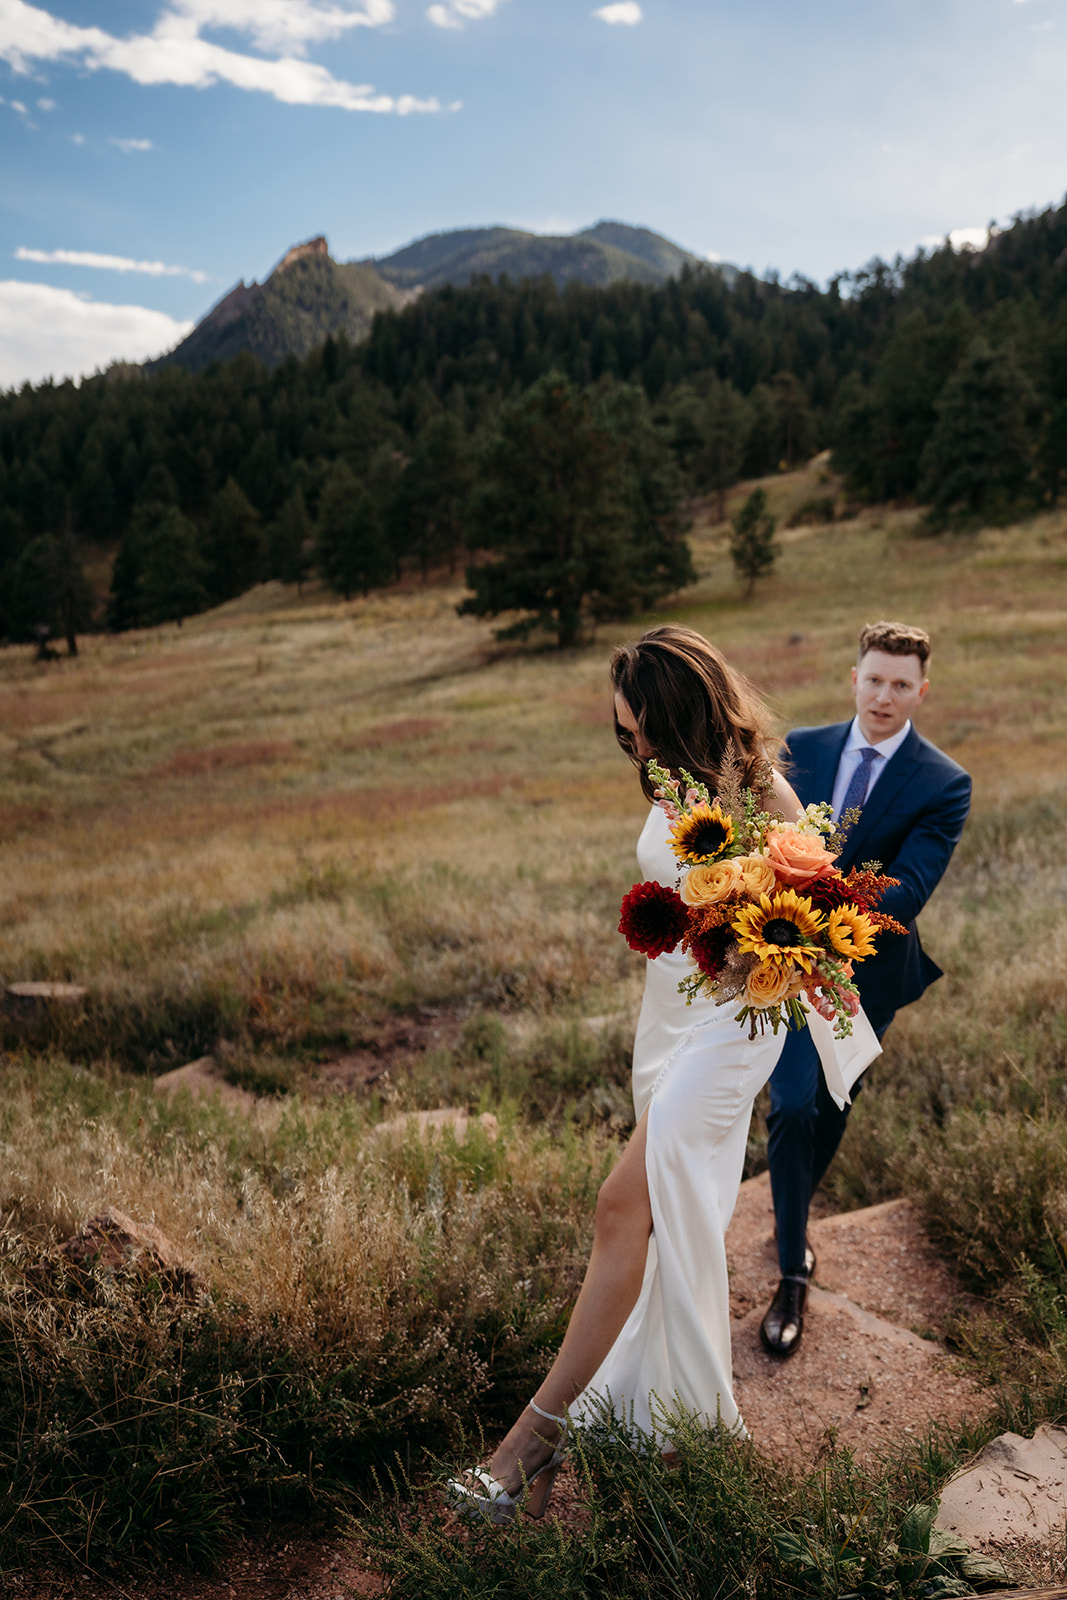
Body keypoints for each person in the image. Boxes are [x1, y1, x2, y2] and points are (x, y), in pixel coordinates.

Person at [448, 624, 874, 1525]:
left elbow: (817, 939)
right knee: (670, 1219)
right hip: (666, 1021)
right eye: (620, 736)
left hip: (732, 1029)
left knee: (621, 1203)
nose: (631, 749)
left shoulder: (766, 796)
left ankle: (529, 1440)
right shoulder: (674, 785)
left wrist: (753, 951)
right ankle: (666, 1413)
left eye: (639, 730)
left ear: (680, 714)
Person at [759, 620, 972, 1358]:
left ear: (921, 690)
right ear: (853, 678)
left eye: (900, 684)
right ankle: (792, 1270)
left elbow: (908, 887)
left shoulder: (944, 782)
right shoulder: (799, 749)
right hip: (782, 958)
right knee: (788, 1105)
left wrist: (822, 911)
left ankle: (789, 1206)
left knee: (830, 1105)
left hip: (867, 970)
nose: (884, 696)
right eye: (873, 679)